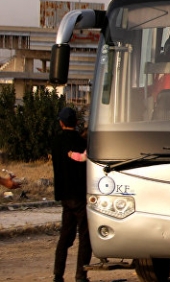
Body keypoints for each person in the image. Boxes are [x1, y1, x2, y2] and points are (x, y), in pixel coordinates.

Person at [52, 107, 91, 282]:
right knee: (84, 236)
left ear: (61, 123)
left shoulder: (55, 141)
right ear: (76, 123)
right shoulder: (82, 142)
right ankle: (80, 275)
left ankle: (58, 275)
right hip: (80, 195)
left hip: (64, 196)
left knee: (64, 237)